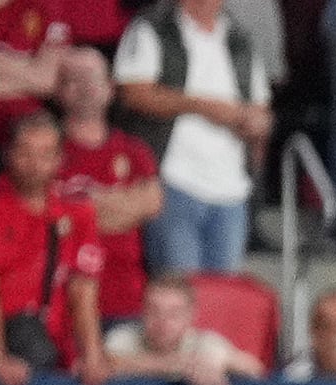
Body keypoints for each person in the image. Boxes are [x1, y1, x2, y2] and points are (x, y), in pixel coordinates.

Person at [112, 0, 270, 273]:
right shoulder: (153, 27)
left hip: (232, 188)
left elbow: (260, 105)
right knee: (179, 290)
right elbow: (133, 92)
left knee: (221, 299)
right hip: (174, 180)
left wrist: (255, 123)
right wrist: (203, 107)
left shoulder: (238, 37)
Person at [0, 110, 111, 385]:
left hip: (48, 337)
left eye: (46, 155)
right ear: (8, 153)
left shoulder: (78, 210)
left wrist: (93, 355)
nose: (34, 164)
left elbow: (83, 287)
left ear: (60, 159)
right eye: (24, 152)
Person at [54, 45, 162, 330]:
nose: (86, 87)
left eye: (93, 78)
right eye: (75, 79)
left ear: (110, 88)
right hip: (62, 301)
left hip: (127, 298)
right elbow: (46, 217)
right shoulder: (44, 149)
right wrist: (120, 204)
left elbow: (151, 204)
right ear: (59, 91)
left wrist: (79, 210)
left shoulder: (134, 150)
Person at [103, 266, 261, 385]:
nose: (162, 321)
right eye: (154, 311)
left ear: (191, 316)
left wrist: (220, 363)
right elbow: (99, 364)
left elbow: (256, 370)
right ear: (142, 311)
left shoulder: (204, 342)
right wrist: (171, 365)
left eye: (174, 314)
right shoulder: (122, 338)